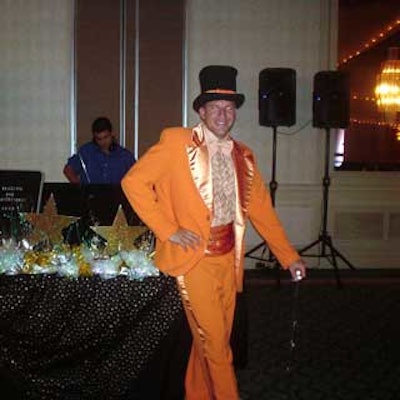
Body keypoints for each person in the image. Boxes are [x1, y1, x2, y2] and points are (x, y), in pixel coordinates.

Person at [121, 65, 306, 400]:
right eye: (215, 107)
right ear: (201, 111)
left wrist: (288, 256)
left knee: (209, 342)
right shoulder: (176, 142)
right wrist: (169, 230)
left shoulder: (244, 156)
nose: (223, 114)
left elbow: (262, 211)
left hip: (228, 261)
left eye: (230, 107)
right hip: (196, 263)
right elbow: (133, 182)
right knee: (218, 348)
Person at [63, 117, 135, 185]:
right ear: (94, 137)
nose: (103, 142)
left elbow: (136, 177)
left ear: (111, 134)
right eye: (99, 139)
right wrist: (81, 189)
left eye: (106, 137)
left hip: (116, 196)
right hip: (91, 196)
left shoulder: (125, 156)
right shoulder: (86, 152)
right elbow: (68, 170)